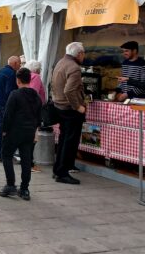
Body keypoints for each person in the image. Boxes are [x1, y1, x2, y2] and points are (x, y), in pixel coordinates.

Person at [0, 68, 42, 200]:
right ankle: (24, 189)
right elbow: (39, 116)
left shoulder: (15, 94)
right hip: (29, 132)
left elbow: (8, 115)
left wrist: (4, 130)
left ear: (18, 80)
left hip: (14, 131)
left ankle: (11, 185)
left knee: (6, 155)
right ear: (29, 79)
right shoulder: (36, 96)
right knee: (26, 160)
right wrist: (35, 130)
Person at [52, 42, 87, 185]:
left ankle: (58, 169)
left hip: (59, 106)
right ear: (79, 54)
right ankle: (62, 173)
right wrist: (78, 106)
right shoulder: (74, 67)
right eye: (83, 54)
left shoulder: (61, 62)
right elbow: (69, 90)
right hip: (69, 109)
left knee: (63, 140)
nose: (84, 56)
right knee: (69, 142)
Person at [0, 56, 20, 162]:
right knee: (7, 130)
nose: (20, 66)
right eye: (19, 63)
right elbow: (10, 92)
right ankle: (5, 155)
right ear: (15, 63)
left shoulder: (1, 71)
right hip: (6, 106)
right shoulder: (12, 74)